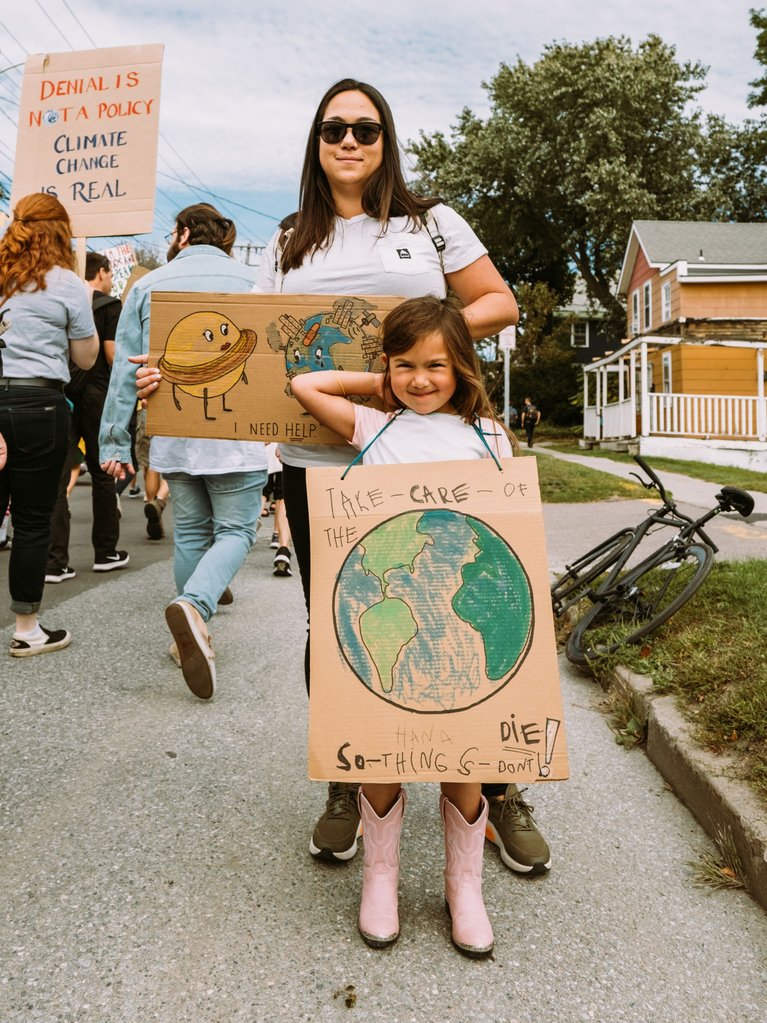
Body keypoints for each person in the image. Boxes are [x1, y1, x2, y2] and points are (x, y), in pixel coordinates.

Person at [254, 78, 550, 878]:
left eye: (366, 128)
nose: (348, 141)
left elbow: (497, 301)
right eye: (332, 129)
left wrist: (409, 350)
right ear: (315, 145)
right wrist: (166, 387)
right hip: (325, 465)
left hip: (429, 456)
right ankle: (351, 777)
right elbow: (252, 352)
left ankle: (497, 782)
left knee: (472, 601)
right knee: (338, 624)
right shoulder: (288, 241)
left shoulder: (431, 223)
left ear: (386, 141)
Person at [292, 295, 516, 955]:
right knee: (383, 745)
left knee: (464, 750)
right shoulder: (374, 428)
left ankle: (463, 884)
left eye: (436, 365)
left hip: (459, 620)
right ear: (386, 367)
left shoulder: (488, 437)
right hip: (393, 615)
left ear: (462, 367)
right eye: (405, 365)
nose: (421, 378)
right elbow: (303, 383)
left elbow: (510, 532)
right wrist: (379, 384)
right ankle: (381, 875)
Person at [99, 203, 268, 699]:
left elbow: (125, 371)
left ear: (183, 233)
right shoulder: (253, 284)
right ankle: (194, 606)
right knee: (238, 528)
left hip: (172, 430)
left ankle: (187, 637)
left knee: (191, 531)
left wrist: (113, 438)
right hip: (238, 432)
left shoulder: (148, 286)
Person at [0, 193, 98, 656]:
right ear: (61, 233)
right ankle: (26, 629)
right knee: (33, 520)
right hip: (39, 402)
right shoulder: (66, 284)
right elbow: (86, 356)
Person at [46, 252, 129, 583]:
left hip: (61, 390)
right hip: (97, 394)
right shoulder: (109, 306)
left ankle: (55, 561)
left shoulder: (58, 296)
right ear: (102, 272)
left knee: (58, 472)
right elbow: (111, 355)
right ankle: (106, 551)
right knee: (102, 468)